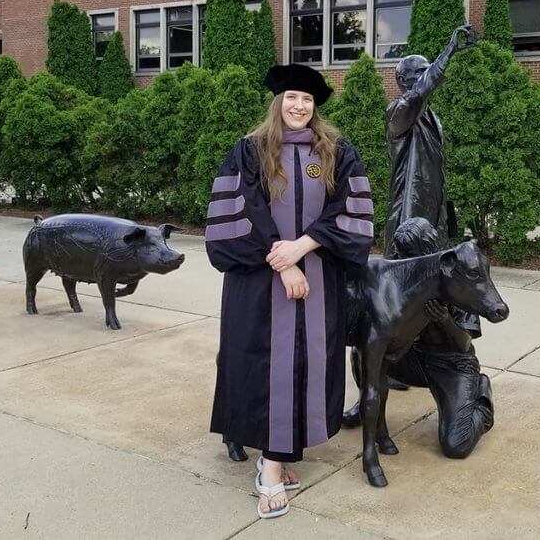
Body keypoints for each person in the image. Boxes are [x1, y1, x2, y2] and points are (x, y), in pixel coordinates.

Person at [205, 64, 374, 519]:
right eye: (291, 98)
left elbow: (352, 211)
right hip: (261, 284)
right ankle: (271, 467)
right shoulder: (251, 151)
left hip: (318, 279)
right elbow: (241, 211)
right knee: (265, 364)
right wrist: (283, 266)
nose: (299, 106)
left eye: (307, 100)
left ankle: (281, 452)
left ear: (315, 107)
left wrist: (301, 247)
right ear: (277, 103)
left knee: (307, 361)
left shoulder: (336, 151)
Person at [343, 217, 494, 459]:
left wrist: (443, 319)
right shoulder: (403, 275)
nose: (403, 261)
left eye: (408, 254)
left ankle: (481, 396)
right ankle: (365, 405)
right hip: (411, 356)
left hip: (451, 365)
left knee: (456, 445)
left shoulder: (455, 275)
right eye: (399, 254)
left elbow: (465, 343)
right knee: (365, 342)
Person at [383, 25, 475, 256]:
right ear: (404, 80)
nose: (428, 75)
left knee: (432, 265)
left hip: (433, 204)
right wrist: (449, 51)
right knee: (405, 265)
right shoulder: (399, 112)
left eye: (427, 71)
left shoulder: (431, 116)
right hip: (410, 207)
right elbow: (418, 94)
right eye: (422, 72)